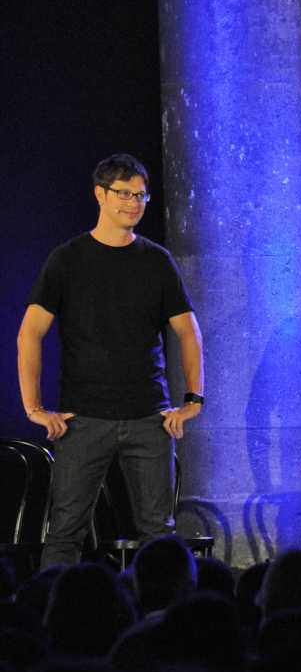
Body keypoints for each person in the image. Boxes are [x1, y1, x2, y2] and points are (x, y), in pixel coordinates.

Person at [16, 154, 204, 569]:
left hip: (148, 417)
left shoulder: (156, 260)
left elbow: (188, 331)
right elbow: (30, 331)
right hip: (83, 419)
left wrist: (193, 399)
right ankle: (57, 621)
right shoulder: (68, 259)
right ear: (100, 194)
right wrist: (34, 408)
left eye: (140, 195)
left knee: (160, 533)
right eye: (123, 193)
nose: (133, 202)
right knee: (66, 531)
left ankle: (169, 622)